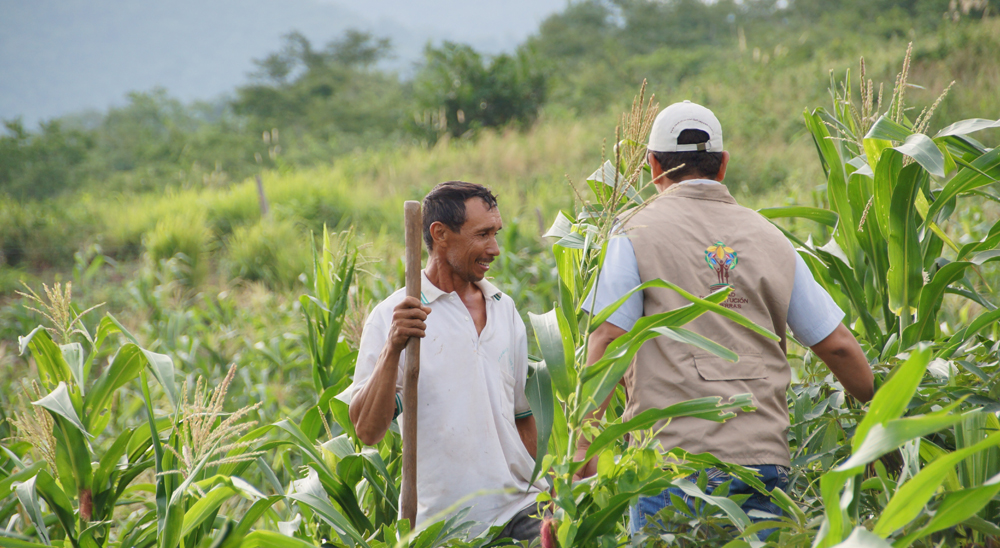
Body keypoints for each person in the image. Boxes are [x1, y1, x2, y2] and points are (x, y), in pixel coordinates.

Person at [574, 101, 875, 536]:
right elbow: (838, 345)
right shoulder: (771, 238)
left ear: (652, 166)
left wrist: (585, 445)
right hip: (763, 466)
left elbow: (607, 340)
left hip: (673, 468)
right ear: (723, 165)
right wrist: (879, 407)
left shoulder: (633, 233)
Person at [347, 181, 544, 541]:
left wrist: (544, 486)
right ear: (440, 234)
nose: (495, 249)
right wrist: (393, 348)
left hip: (521, 509)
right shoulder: (393, 315)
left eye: (495, 233)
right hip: (445, 526)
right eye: (482, 234)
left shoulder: (504, 308)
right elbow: (366, 430)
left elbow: (522, 416)